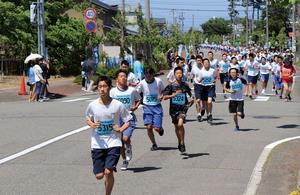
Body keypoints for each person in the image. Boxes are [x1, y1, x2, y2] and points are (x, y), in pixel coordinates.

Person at [85, 76, 132, 195]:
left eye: (104, 86)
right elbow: (87, 118)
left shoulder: (117, 105)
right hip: (97, 143)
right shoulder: (92, 105)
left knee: (108, 172)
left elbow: (128, 120)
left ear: (109, 88)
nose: (102, 89)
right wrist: (92, 124)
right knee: (99, 176)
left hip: (114, 142)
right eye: (100, 87)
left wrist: (120, 128)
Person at [110, 70, 141, 171]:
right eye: (121, 76)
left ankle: (129, 148)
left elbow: (138, 100)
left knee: (125, 139)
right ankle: (125, 160)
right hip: (117, 118)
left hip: (129, 117)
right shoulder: (113, 92)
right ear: (117, 79)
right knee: (119, 143)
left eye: (125, 76)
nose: (123, 78)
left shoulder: (132, 90)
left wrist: (135, 107)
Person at [163, 67, 194, 153]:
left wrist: (192, 100)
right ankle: (179, 141)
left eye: (180, 73)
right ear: (174, 74)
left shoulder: (185, 85)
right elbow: (164, 97)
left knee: (180, 125)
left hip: (183, 108)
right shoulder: (171, 86)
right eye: (177, 73)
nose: (179, 75)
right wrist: (173, 95)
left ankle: (182, 142)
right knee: (177, 127)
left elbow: (191, 96)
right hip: (173, 109)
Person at [136, 67, 165, 151]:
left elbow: (163, 90)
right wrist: (137, 102)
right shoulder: (141, 83)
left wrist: (161, 95)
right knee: (149, 127)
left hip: (156, 106)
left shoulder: (158, 81)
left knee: (156, 128)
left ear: (153, 74)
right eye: (146, 76)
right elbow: (136, 93)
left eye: (149, 76)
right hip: (147, 106)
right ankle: (154, 144)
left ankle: (160, 129)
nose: (148, 77)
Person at [197, 58, 216, 124]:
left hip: (210, 87)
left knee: (209, 101)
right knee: (205, 103)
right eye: (205, 63)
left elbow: (214, 78)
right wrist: (201, 79)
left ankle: (210, 114)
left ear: (209, 63)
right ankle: (207, 113)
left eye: (207, 63)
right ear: (203, 64)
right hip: (203, 88)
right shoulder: (201, 71)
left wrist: (214, 81)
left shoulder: (213, 70)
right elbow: (198, 81)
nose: (206, 64)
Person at [190, 55, 205, 122]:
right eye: (198, 60)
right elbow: (192, 74)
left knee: (203, 100)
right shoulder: (194, 67)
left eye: (200, 60)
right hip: (197, 85)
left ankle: (203, 108)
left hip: (204, 85)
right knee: (198, 100)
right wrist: (190, 77)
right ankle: (198, 114)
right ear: (196, 61)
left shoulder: (204, 67)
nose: (199, 62)